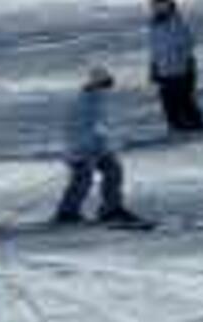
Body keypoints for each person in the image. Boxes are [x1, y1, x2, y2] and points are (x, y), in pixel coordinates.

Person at [53, 66, 142, 224]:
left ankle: (111, 208)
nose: (109, 87)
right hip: (81, 149)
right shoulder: (86, 101)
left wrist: (108, 144)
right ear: (96, 84)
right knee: (83, 179)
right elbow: (80, 128)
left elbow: (102, 126)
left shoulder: (98, 99)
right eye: (106, 84)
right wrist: (89, 148)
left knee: (114, 170)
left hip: (96, 148)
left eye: (109, 83)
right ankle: (67, 212)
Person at [147, 0, 203, 135]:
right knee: (169, 107)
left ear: (170, 2)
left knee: (185, 104)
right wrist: (153, 67)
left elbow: (189, 43)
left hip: (181, 71)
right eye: (156, 3)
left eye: (162, 2)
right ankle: (176, 131)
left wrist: (185, 63)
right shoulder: (154, 24)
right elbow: (154, 49)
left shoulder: (177, 22)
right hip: (164, 72)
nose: (158, 6)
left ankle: (201, 130)